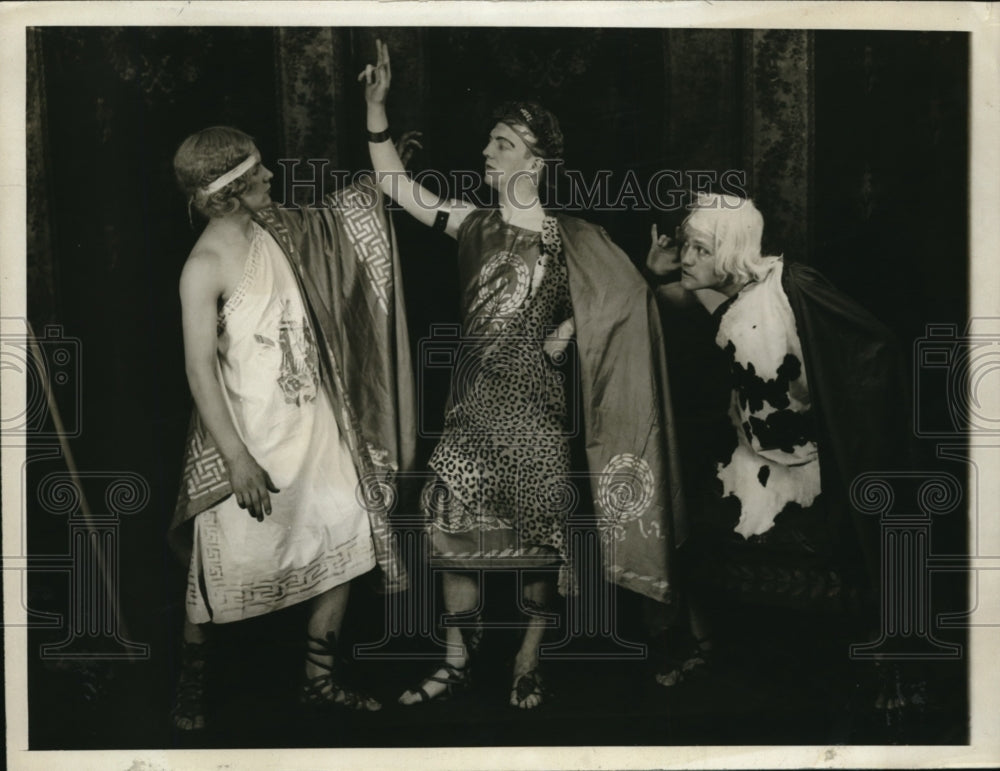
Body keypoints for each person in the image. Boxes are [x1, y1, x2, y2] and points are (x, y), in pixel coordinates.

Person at [360, 40, 686, 709]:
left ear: (536, 160)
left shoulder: (576, 237)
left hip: (536, 416)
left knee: (539, 548)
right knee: (450, 537)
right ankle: (454, 657)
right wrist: (375, 111)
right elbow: (395, 185)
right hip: (470, 414)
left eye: (503, 142)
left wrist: (572, 329)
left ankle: (528, 657)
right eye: (489, 140)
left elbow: (621, 303)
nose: (487, 151)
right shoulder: (470, 223)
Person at [168, 126, 415, 730]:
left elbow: (336, 224)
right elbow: (199, 369)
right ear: (230, 191)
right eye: (259, 174)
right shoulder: (202, 266)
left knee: (345, 539)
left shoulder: (278, 227)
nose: (272, 179)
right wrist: (236, 460)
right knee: (217, 574)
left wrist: (384, 155)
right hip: (250, 440)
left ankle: (319, 682)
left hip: (317, 429)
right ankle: (190, 687)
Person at [646, 193, 908, 685]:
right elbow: (678, 300)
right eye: (686, 246)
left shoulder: (792, 288)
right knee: (682, 514)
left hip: (804, 458)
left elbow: (875, 346)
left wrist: (838, 413)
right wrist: (661, 271)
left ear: (730, 251)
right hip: (751, 456)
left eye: (701, 249)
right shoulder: (734, 294)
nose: (687, 257)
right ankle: (704, 646)